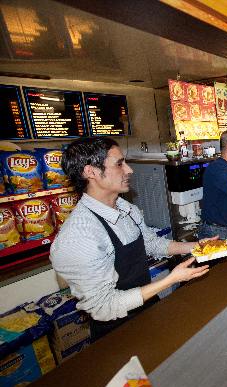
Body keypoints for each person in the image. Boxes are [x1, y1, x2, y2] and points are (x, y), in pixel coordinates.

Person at [51, 137, 211, 341]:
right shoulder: (79, 236)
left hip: (147, 308)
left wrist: (197, 246)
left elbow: (150, 244)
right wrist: (172, 279)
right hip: (115, 329)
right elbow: (103, 307)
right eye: (119, 164)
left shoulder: (126, 209)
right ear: (90, 172)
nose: (129, 170)